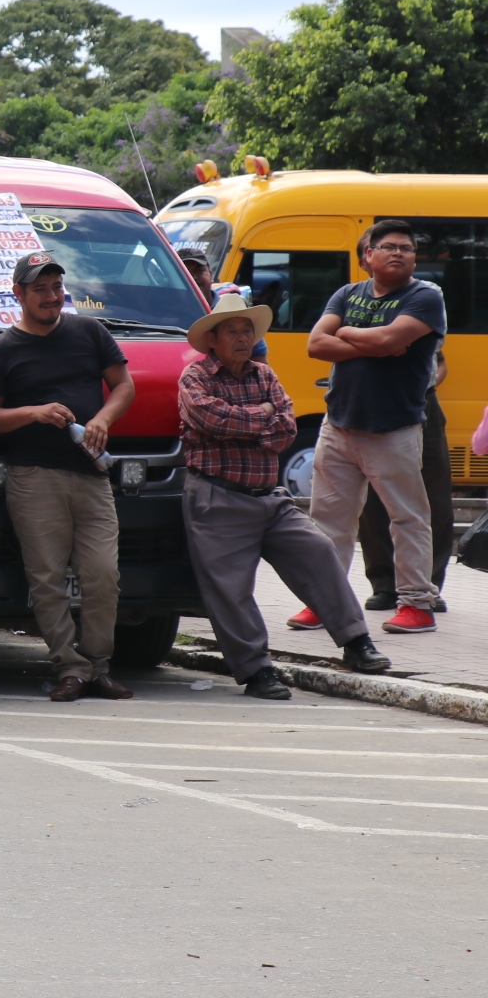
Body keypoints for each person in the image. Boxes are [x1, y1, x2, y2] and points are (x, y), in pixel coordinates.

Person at [178, 293, 391, 697]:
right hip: (217, 497)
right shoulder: (196, 376)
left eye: (247, 331)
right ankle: (257, 671)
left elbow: (286, 430)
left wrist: (246, 421)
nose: (242, 339)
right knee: (230, 590)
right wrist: (260, 417)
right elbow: (209, 417)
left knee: (318, 552)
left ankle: (356, 642)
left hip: (270, 498)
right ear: (213, 340)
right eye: (232, 332)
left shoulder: (264, 375)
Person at [0, 251, 136, 703]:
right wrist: (34, 412)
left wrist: (104, 418)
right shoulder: (3, 350)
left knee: (103, 574)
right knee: (46, 578)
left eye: (56, 287)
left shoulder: (89, 330)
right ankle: (70, 667)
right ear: (19, 295)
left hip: (91, 472)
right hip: (33, 477)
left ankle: (99, 666)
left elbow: (124, 386)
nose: (51, 296)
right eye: (40, 289)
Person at [298, 219, 446, 635]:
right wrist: (371, 337)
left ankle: (417, 605)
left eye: (407, 248)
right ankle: (325, 602)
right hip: (339, 424)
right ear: (368, 256)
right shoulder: (347, 293)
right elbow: (315, 345)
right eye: (388, 246)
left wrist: (348, 333)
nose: (398, 252)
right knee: (328, 520)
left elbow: (387, 343)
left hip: (394, 428)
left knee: (408, 518)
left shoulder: (424, 296)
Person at [357, 348, 452, 615]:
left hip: (423, 400)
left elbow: (440, 361)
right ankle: (385, 585)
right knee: (373, 498)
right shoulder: (362, 307)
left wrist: (425, 380)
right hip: (376, 399)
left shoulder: (425, 308)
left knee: (436, 497)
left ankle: (427, 585)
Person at [178, 246, 265, 360]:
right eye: (186, 274)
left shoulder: (235, 310)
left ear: (210, 274)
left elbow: (261, 365)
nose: (194, 278)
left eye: (199, 271)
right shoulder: (165, 316)